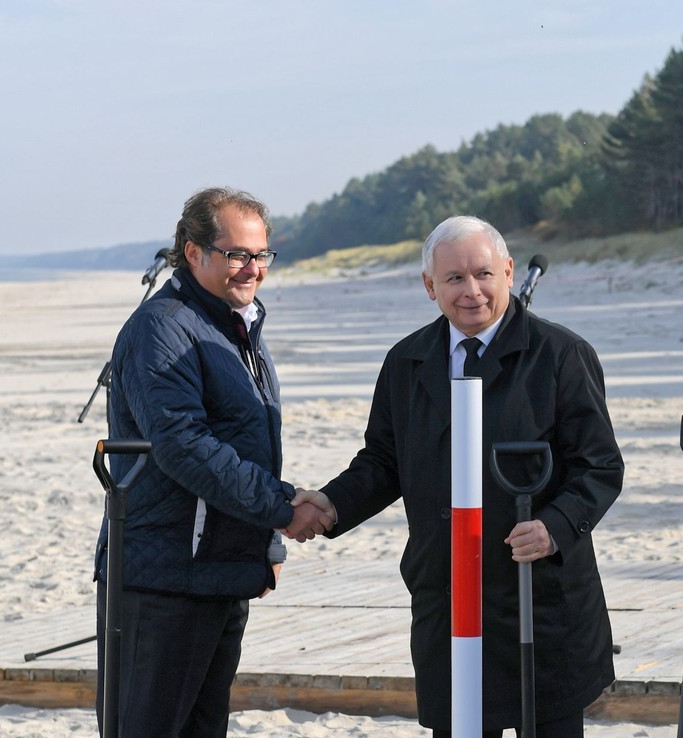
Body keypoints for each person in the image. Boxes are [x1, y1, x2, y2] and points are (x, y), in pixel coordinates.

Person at [301, 215, 624, 737]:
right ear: (430, 286)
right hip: (447, 597)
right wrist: (330, 505)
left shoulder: (561, 355)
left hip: (538, 600)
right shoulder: (406, 362)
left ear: (509, 272)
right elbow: (383, 462)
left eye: (483, 274)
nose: (471, 291)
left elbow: (600, 466)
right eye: (454, 279)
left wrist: (556, 525)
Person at [93, 186, 327, 737]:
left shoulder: (238, 324)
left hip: (219, 572)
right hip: (163, 580)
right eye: (237, 254)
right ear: (193, 252)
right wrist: (281, 509)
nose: (252, 268)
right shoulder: (162, 327)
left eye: (261, 255)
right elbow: (183, 445)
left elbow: (252, 446)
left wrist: (263, 544)